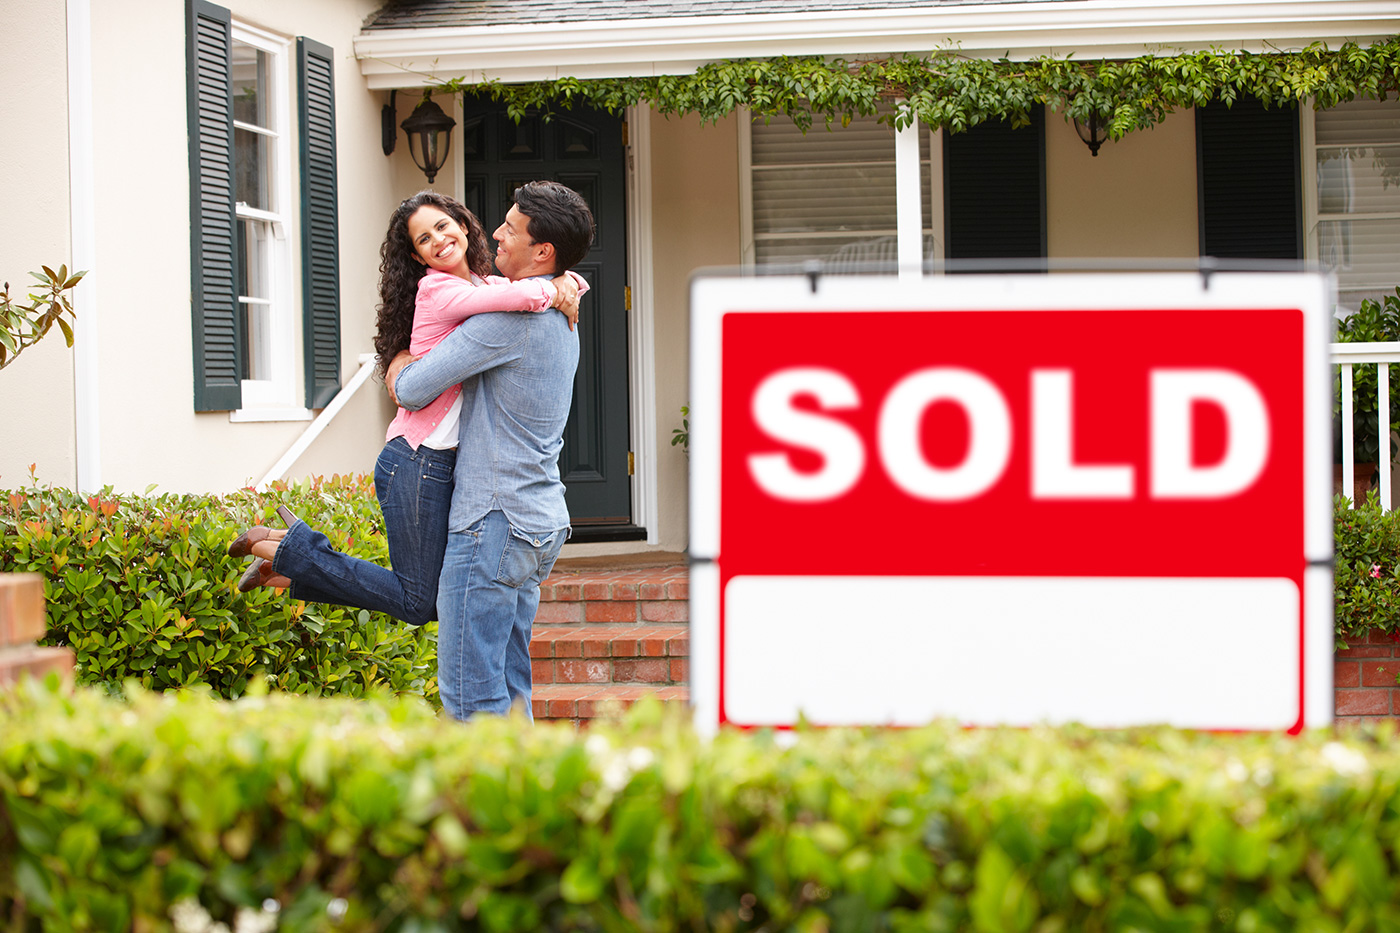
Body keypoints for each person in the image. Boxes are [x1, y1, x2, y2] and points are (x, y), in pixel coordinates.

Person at [227, 190, 586, 632]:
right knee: (421, 601)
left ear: (463, 225)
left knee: (428, 599)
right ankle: (293, 549)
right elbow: (514, 302)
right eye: (423, 239)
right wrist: (555, 286)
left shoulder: (488, 287)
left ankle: (285, 571)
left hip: (440, 463)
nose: (437, 240)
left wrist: (569, 282)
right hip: (418, 460)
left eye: (442, 226)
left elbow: (514, 295)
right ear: (417, 257)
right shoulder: (442, 289)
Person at [385, 180, 593, 721]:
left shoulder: (506, 322)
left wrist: (398, 356)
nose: (494, 233)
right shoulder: (559, 310)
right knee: (511, 686)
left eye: (510, 228)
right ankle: (523, 798)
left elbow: (411, 388)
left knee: (469, 698)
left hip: (492, 521)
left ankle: (485, 803)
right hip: (539, 521)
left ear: (542, 252)